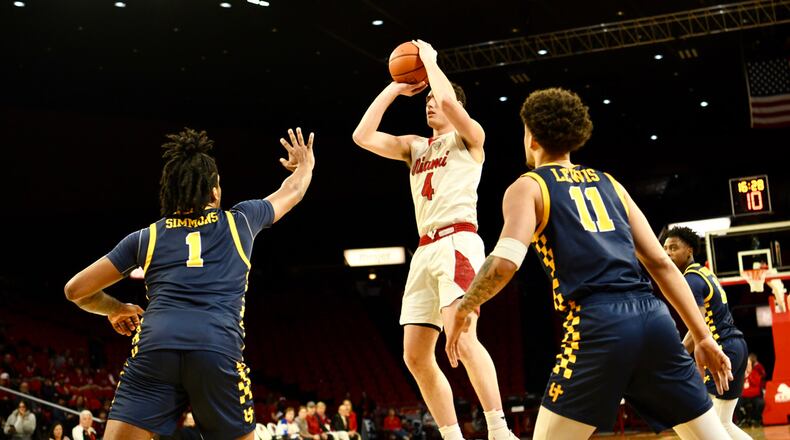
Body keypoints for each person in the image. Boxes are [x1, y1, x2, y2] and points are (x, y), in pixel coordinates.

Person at [445, 88, 734, 439]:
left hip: (597, 324)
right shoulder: (610, 183)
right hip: (654, 320)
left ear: (531, 137)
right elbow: (660, 262)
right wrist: (703, 337)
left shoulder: (529, 186)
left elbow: (504, 263)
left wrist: (465, 307)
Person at [64, 127, 316, 440]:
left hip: (156, 347)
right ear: (214, 191)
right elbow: (292, 191)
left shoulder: (147, 237)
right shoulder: (241, 222)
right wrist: (304, 165)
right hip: (216, 348)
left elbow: (75, 290)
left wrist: (115, 308)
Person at [352, 39, 513, 440]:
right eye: (427, 101)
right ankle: (451, 435)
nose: (430, 104)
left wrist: (431, 62)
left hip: (458, 241)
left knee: (466, 334)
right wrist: (396, 86)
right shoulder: (414, 146)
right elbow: (362, 135)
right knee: (415, 355)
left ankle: (499, 429)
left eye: (436, 100)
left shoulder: (470, 137)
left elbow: (452, 104)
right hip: (424, 250)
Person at [663, 226, 751, 439]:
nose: (668, 253)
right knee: (724, 424)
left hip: (721, 348)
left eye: (674, 248)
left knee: (709, 426)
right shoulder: (705, 272)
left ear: (690, 250)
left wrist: (679, 352)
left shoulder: (691, 279)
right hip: (737, 346)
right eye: (665, 248)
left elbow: (698, 327)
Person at [740, 355, 766, 426]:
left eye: (748, 364)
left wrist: (749, 374)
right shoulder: (741, 374)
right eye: (746, 364)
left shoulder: (755, 373)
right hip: (743, 396)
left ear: (751, 365)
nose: (747, 366)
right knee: (735, 403)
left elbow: (756, 384)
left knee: (761, 403)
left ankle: (756, 419)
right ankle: (742, 419)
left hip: (754, 396)